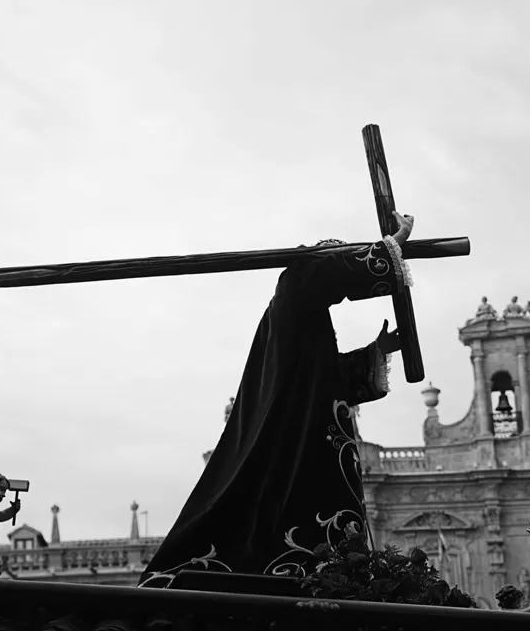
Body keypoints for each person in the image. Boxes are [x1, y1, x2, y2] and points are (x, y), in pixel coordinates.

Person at [139, 213, 415, 587]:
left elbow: (320, 381)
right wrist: (389, 246)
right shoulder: (293, 292)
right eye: (333, 258)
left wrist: (376, 351)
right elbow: (318, 273)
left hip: (301, 437)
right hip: (292, 443)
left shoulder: (304, 319)